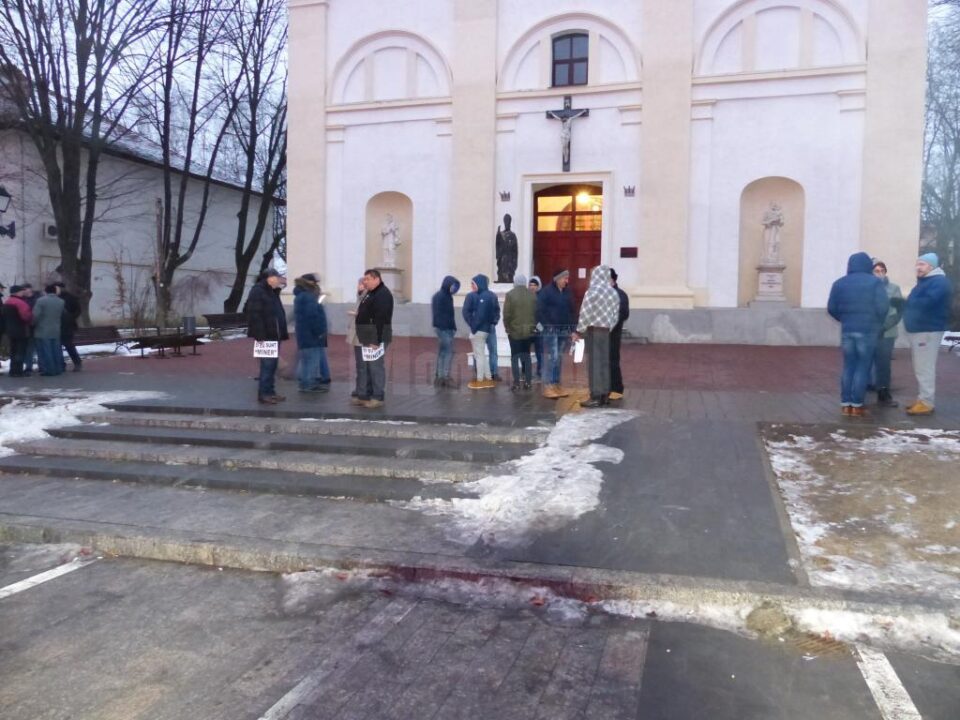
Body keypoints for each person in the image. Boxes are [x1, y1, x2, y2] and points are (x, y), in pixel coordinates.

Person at [827, 252, 889, 417]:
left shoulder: (839, 283)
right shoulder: (875, 283)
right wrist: (876, 323)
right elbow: (883, 307)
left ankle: (845, 404)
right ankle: (857, 404)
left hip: (848, 329)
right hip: (867, 331)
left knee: (848, 366)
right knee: (863, 366)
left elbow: (831, 308)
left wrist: (844, 319)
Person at [903, 252, 954, 416]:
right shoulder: (927, 282)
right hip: (921, 329)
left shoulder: (939, 282)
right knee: (921, 366)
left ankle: (926, 402)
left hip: (927, 330)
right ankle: (923, 398)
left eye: (922, 264)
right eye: (917, 264)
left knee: (924, 367)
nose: (918, 267)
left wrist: (907, 303)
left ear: (932, 267)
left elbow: (925, 303)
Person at [573, 266, 621, 408]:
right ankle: (605, 394)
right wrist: (609, 327)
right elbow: (615, 315)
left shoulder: (592, 291)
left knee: (594, 363)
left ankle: (595, 395)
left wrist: (579, 330)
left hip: (593, 330)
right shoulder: (613, 293)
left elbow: (585, 313)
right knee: (604, 362)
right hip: (606, 331)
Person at [246, 268, 289, 404]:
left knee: (272, 365)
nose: (279, 280)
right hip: (266, 336)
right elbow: (254, 314)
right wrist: (260, 335)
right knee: (267, 365)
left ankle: (270, 392)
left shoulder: (271, 292)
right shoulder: (258, 291)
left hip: (274, 334)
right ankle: (264, 394)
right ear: (269, 278)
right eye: (277, 277)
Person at [354, 268, 394, 408]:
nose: (365, 282)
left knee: (375, 367)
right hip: (367, 336)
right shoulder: (371, 292)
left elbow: (381, 318)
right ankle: (367, 394)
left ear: (377, 279)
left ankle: (378, 396)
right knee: (368, 366)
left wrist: (376, 340)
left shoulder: (383, 295)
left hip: (376, 337)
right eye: (364, 279)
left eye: (368, 279)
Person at [536, 269, 575, 399]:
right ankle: (548, 386)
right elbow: (539, 311)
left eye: (567, 278)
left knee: (558, 358)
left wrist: (572, 329)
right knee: (551, 358)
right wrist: (547, 326)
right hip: (550, 331)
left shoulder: (567, 292)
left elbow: (571, 311)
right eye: (564, 278)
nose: (566, 281)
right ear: (557, 279)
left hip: (563, 330)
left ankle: (556, 384)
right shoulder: (546, 292)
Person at [870, 261, 903, 407]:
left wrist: (883, 327)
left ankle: (883, 391)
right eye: (876, 271)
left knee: (884, 364)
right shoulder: (867, 288)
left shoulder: (894, 288)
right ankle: (865, 387)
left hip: (887, 332)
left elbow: (898, 312)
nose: (879, 273)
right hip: (869, 331)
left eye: (882, 270)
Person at [293, 273, 329, 394]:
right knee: (312, 361)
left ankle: (305, 384)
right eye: (315, 282)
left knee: (306, 361)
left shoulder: (300, 295)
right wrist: (319, 332)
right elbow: (312, 316)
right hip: (312, 335)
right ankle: (309, 384)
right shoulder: (309, 297)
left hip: (304, 334)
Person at [462, 274, 499, 390]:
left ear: (479, 284)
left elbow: (480, 315)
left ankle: (480, 380)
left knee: (479, 355)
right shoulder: (488, 295)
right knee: (482, 354)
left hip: (479, 330)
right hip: (485, 329)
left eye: (473, 283)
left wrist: (474, 327)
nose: (472, 286)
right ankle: (488, 377)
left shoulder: (484, 296)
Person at [503, 273, 537, 391]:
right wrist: (534, 328)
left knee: (515, 357)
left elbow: (506, 314)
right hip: (528, 332)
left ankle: (517, 383)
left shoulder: (510, 295)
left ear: (515, 282)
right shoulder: (532, 295)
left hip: (514, 332)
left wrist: (507, 328)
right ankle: (528, 382)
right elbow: (536, 314)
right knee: (526, 357)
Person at [431, 275, 461, 388]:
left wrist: (453, 328)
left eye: (455, 287)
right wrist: (447, 328)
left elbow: (449, 314)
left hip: (446, 328)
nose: (453, 288)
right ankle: (445, 377)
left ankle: (439, 377)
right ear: (447, 284)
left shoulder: (446, 296)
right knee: (449, 352)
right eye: (452, 286)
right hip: (443, 329)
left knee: (442, 352)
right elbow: (439, 315)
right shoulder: (441, 297)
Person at [32, 284, 65, 376]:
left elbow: (35, 315)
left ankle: (49, 370)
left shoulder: (40, 301)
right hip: (56, 329)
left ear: (45, 291)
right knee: (56, 350)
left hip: (42, 329)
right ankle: (58, 368)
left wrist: (32, 324)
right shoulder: (61, 301)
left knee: (46, 351)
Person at [608, 268, 630, 401]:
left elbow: (623, 313)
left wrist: (610, 324)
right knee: (605, 361)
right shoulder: (604, 294)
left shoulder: (620, 294)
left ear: (612, 280)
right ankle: (607, 387)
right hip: (602, 333)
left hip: (613, 333)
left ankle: (616, 388)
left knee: (613, 360)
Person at [2, 285, 33, 377]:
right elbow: (26, 316)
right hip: (21, 330)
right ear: (17, 292)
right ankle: (18, 371)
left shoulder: (7, 302)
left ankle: (13, 370)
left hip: (10, 330)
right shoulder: (20, 303)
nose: (23, 292)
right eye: (21, 291)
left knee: (13, 351)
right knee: (20, 351)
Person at [54, 282, 83, 371]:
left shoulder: (70, 298)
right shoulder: (54, 298)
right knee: (57, 346)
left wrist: (70, 317)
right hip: (56, 325)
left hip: (68, 326)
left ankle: (77, 362)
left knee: (68, 345)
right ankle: (61, 364)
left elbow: (78, 310)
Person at [346, 277, 366, 398]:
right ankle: (359, 388)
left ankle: (362, 389)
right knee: (359, 363)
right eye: (359, 284)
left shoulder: (366, 297)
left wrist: (355, 314)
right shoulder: (360, 297)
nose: (358, 286)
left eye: (361, 284)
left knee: (362, 364)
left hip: (362, 334)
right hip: (357, 334)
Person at [528, 276, 543, 379]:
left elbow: (544, 313)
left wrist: (540, 327)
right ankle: (526, 371)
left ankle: (540, 370)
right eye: (531, 285)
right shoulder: (526, 297)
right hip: (528, 328)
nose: (532, 287)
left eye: (534, 285)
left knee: (539, 350)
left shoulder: (541, 297)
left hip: (538, 328)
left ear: (538, 286)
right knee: (526, 351)